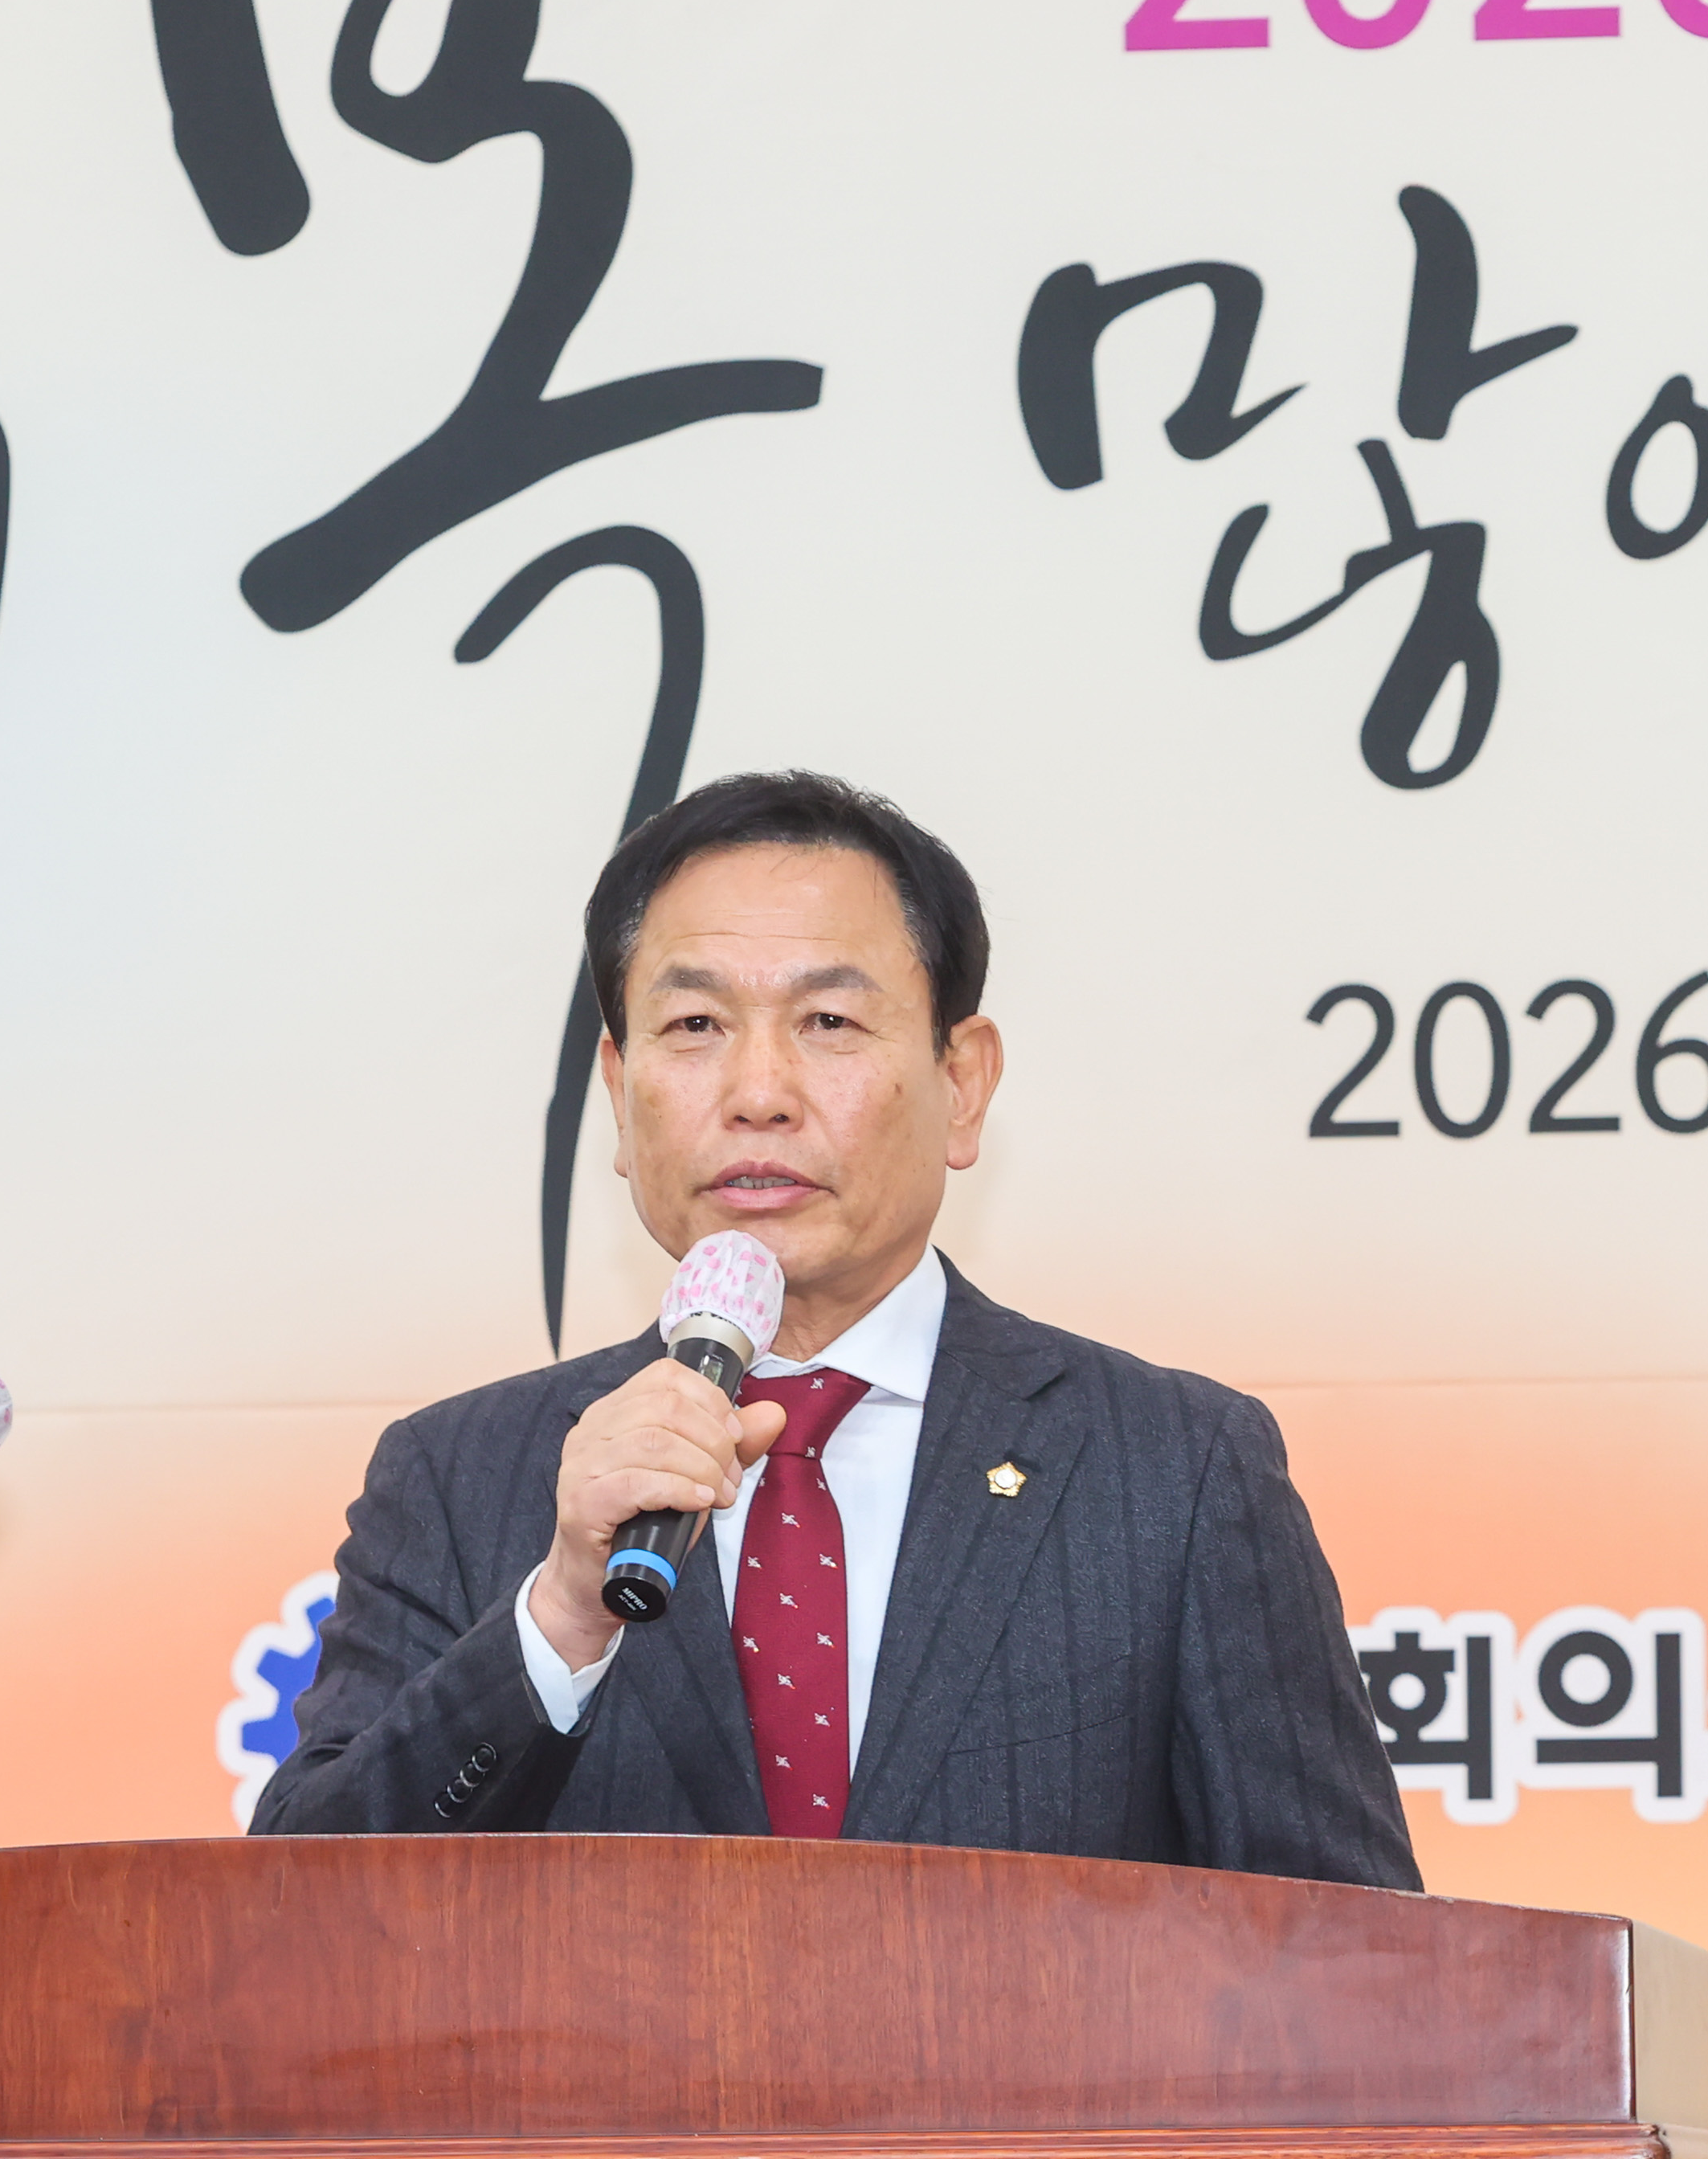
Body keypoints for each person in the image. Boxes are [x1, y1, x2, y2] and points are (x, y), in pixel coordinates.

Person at [251, 771, 1420, 1887]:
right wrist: (559, 1617)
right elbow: (300, 1923)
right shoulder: (459, 1478)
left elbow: (1351, 1961)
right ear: (617, 1092)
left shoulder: (1176, 1471)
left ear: (962, 1084)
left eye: (827, 1020)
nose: (759, 1093)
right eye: (695, 1023)